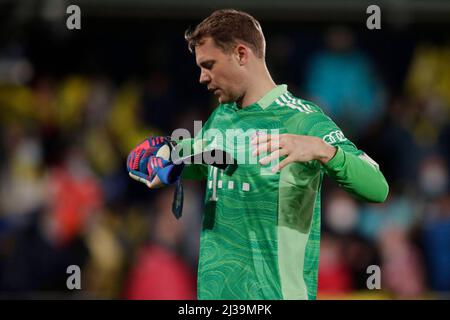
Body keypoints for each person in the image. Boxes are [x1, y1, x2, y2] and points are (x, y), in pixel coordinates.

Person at [126, 9, 389, 300]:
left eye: (209, 65)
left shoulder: (303, 120)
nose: (202, 77)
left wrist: (322, 150)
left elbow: (377, 187)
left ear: (241, 54)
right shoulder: (220, 117)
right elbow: (212, 160)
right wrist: (168, 156)